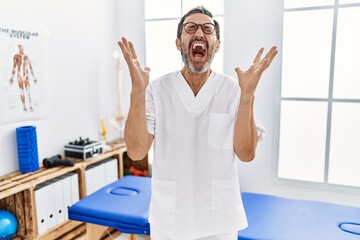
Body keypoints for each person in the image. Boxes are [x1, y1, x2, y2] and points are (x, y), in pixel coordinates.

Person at [118, 6, 278, 240]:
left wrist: (248, 95)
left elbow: (246, 153)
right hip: (171, 219)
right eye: (190, 28)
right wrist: (137, 90)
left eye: (208, 29)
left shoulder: (233, 90)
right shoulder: (157, 90)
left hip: (219, 221)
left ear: (217, 44)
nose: (199, 33)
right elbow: (136, 150)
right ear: (178, 43)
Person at [9, 44, 38, 112]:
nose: (21, 48)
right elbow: (14, 67)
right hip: (19, 76)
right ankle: (24, 106)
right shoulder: (16, 56)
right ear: (18, 48)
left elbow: (30, 67)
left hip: (26, 75)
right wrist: (12, 78)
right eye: (20, 47)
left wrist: (34, 78)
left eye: (21, 47)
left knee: (28, 92)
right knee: (21, 92)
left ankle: (30, 106)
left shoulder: (27, 57)